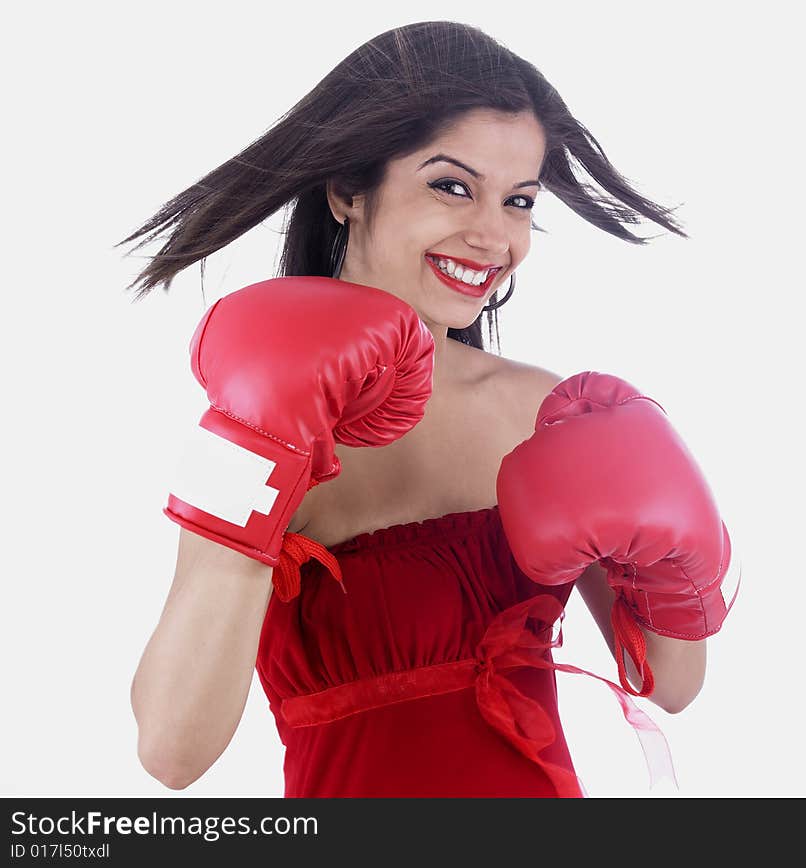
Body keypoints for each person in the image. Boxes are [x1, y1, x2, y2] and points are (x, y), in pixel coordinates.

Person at [121, 20, 736, 798]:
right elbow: (172, 751)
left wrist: (677, 545)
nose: (492, 235)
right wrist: (266, 460)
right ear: (347, 189)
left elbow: (670, 685)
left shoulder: (543, 410)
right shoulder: (268, 409)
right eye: (452, 186)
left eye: (519, 201)